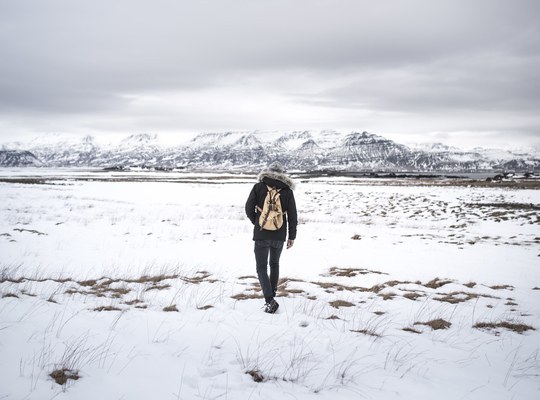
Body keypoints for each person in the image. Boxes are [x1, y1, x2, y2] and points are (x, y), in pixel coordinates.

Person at [245, 161, 297, 313]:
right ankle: (272, 294)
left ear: (268, 171)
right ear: (282, 173)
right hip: (279, 234)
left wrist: (257, 221)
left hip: (261, 233)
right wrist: (292, 236)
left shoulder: (258, 187)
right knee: (274, 264)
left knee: (261, 267)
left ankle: (269, 299)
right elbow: (293, 216)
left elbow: (248, 208)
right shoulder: (287, 191)